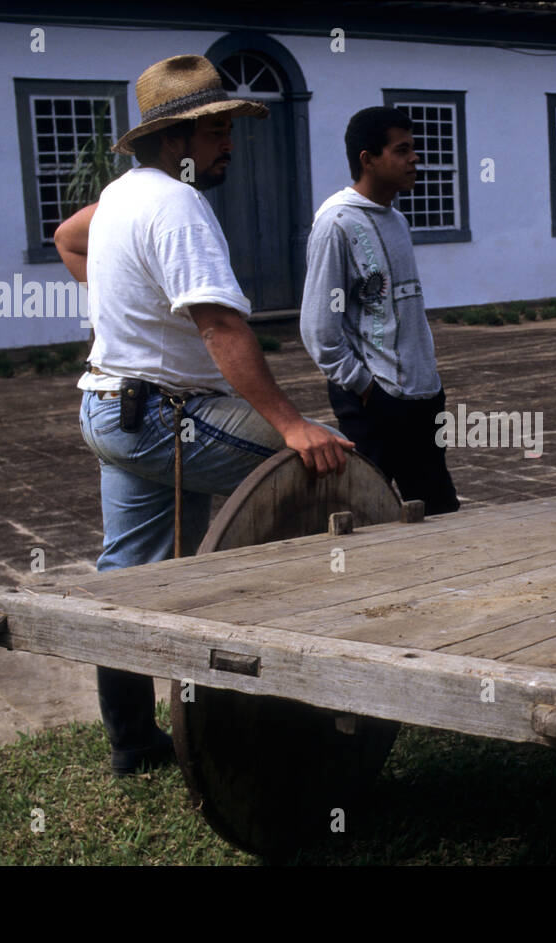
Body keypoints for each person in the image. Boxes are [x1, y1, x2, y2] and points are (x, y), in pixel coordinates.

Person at [53, 54, 352, 776]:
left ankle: (133, 743)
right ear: (173, 140)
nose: (228, 144)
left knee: (126, 578)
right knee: (340, 474)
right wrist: (292, 426)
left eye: (227, 128)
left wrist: (126, 316)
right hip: (160, 417)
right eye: (215, 130)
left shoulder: (124, 194)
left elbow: (67, 237)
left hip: (109, 407)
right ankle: (300, 706)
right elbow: (222, 328)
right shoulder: (179, 207)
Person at [299, 106, 460, 515]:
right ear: (367, 159)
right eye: (401, 150)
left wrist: (429, 381)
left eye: (413, 148)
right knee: (368, 518)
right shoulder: (336, 225)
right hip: (375, 403)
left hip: (423, 397)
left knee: (439, 514)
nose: (414, 158)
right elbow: (320, 330)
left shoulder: (397, 220)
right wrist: (367, 387)